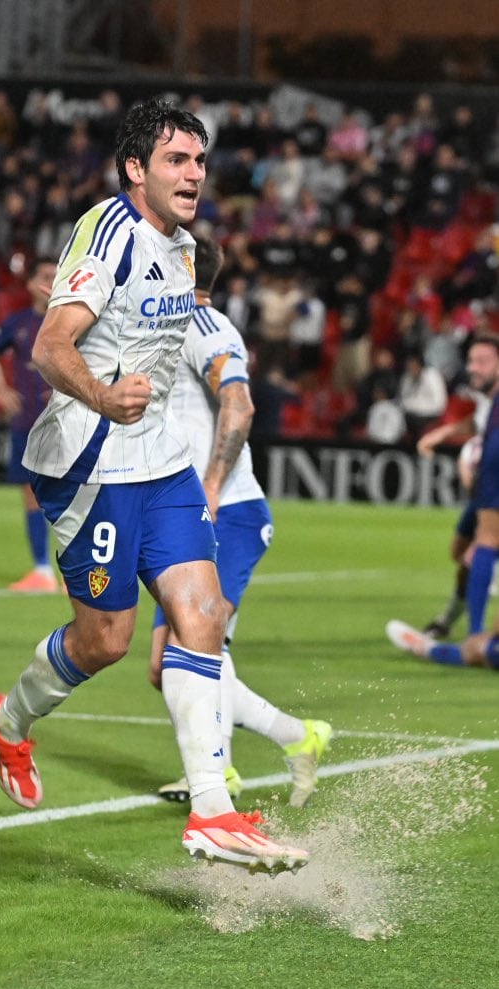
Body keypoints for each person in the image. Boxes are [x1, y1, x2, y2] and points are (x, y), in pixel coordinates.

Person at [0, 98, 309, 874]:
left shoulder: (185, 248)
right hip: (89, 465)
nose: (195, 175)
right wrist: (102, 394)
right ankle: (9, 719)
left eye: (199, 161)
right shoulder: (108, 235)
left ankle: (212, 813)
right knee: (106, 642)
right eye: (177, 161)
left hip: (160, 465)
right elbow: (50, 349)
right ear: (137, 169)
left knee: (202, 613)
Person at [149, 236, 332, 810]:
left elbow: (241, 404)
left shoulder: (205, 324)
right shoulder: (171, 326)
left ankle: (221, 772)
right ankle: (295, 738)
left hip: (228, 512)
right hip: (190, 515)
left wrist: (211, 486)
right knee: (165, 665)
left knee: (194, 650)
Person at [387, 333, 499, 652]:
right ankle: (459, 620)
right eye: (471, 360)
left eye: (482, 361)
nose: (472, 367)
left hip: (489, 480)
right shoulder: (485, 399)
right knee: (461, 553)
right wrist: (444, 433)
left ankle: (474, 637)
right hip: (481, 486)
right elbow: (476, 425)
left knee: (484, 546)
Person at [0, 256, 60, 591]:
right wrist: (0, 390)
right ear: (30, 284)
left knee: (76, 496)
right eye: (45, 276)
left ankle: (77, 572)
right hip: (28, 420)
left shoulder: (73, 321)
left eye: (58, 276)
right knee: (31, 494)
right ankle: (42, 570)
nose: (52, 282)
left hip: (67, 422)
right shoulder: (20, 322)